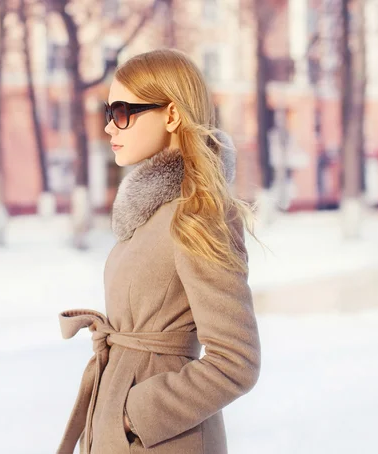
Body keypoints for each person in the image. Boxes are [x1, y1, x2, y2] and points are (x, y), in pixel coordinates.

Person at [56, 48, 261, 454]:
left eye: (122, 112)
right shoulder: (149, 215)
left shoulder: (199, 215)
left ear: (171, 115)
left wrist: (135, 414)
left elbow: (236, 361)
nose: (110, 128)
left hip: (163, 439)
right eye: (108, 113)